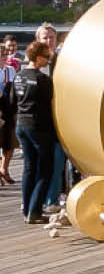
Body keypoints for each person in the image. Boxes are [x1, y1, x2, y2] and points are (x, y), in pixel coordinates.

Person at [15, 40, 56, 222]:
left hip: (21, 124)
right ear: (38, 58)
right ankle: (35, 211)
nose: (48, 60)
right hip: (38, 127)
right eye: (47, 57)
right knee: (45, 170)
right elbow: (49, 106)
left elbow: (11, 100)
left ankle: (26, 209)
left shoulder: (19, 75)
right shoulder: (42, 80)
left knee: (28, 168)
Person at [35, 22, 67, 208]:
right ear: (38, 40)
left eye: (52, 37)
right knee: (40, 161)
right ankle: (38, 199)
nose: (49, 41)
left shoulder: (64, 61)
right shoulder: (34, 65)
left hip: (61, 118)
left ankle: (53, 198)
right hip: (41, 119)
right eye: (45, 37)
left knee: (58, 159)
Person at [0, 47, 15, 186]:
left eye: (5, 54)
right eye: (1, 55)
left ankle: (4, 169)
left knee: (9, 143)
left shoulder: (10, 70)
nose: (4, 57)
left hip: (8, 109)